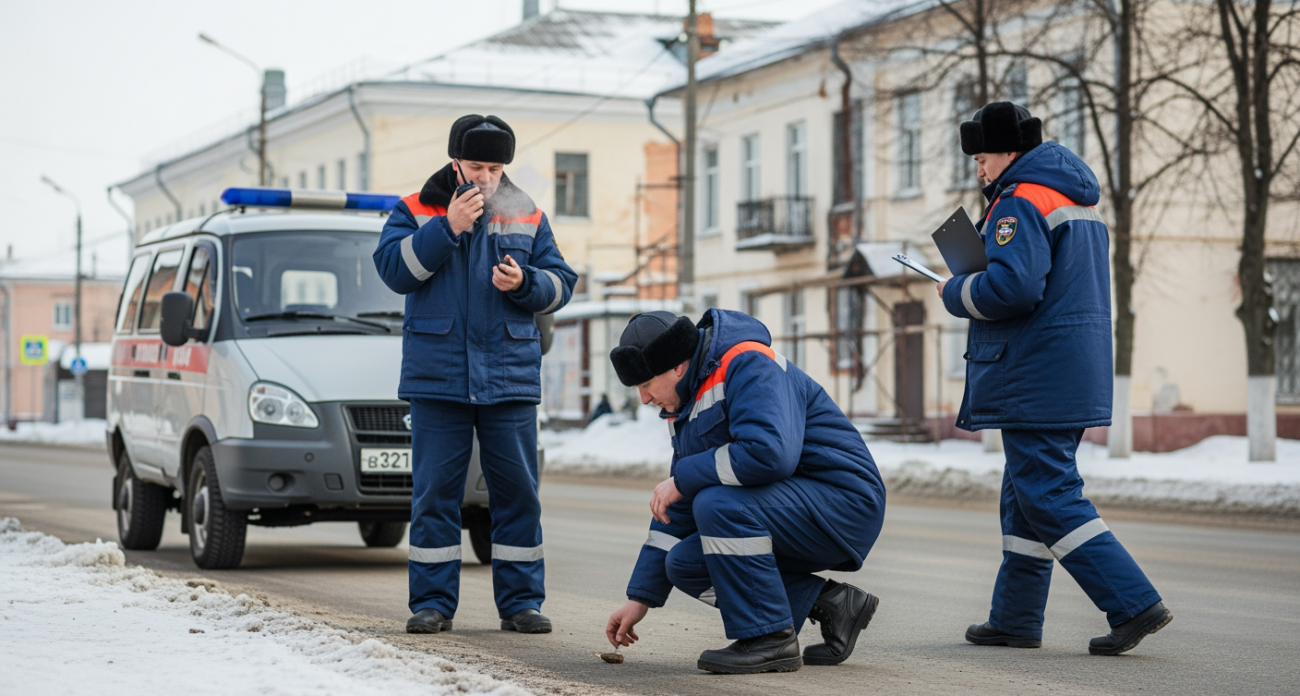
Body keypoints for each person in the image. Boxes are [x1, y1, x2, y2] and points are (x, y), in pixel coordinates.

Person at [940, 102, 1171, 655]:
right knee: (1025, 498)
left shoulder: (1019, 200)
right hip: (1066, 368)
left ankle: (1133, 603)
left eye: (984, 157)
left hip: (1034, 373)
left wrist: (955, 291)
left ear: (1010, 151)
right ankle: (1015, 618)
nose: (980, 169)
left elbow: (1013, 289)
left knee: (1047, 494)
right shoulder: (1071, 197)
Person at [374, 114, 577, 635]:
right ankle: (432, 604)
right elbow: (394, 272)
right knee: (435, 495)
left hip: (508, 378)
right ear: (454, 162)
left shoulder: (526, 212)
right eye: (476, 166)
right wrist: (448, 228)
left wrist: (526, 282)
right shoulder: (415, 210)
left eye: (495, 168)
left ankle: (522, 604)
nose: (486, 177)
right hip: (437, 378)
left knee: (518, 494)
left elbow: (562, 283)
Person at [603, 309, 887, 674]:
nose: (644, 398)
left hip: (843, 503)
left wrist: (684, 478)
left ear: (676, 366)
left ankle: (770, 638)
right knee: (685, 563)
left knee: (719, 504)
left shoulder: (748, 361)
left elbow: (770, 454)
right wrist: (639, 597)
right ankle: (831, 603)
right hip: (793, 508)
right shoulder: (689, 400)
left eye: (646, 385)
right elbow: (681, 508)